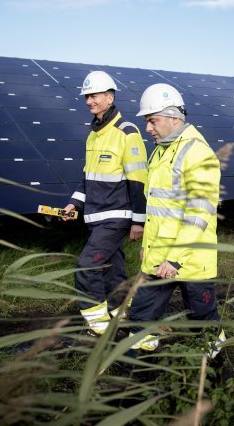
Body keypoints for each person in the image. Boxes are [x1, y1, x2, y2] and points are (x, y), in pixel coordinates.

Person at [127, 83, 225, 355]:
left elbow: (199, 211)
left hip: (190, 258)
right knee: (141, 316)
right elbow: (158, 208)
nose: (148, 129)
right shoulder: (160, 150)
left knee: (203, 319)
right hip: (159, 256)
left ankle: (216, 373)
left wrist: (176, 257)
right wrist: (148, 248)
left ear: (174, 118)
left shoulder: (197, 152)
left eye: (152, 121)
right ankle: (137, 371)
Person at [63, 70, 148, 336]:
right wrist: (73, 205)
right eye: (87, 96)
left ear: (109, 98)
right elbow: (87, 177)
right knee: (112, 270)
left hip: (115, 217)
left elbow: (139, 180)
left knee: (87, 267)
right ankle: (122, 315)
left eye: (95, 95)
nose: (89, 101)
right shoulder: (93, 135)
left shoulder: (127, 132)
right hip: (95, 216)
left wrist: (138, 220)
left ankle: (98, 326)